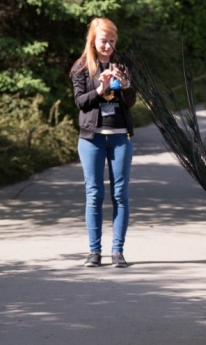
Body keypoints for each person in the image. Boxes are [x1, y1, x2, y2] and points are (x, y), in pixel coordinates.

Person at [71, 17, 136, 268]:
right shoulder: (81, 67)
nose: (108, 45)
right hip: (91, 138)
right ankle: (94, 252)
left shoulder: (124, 64)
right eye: (103, 41)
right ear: (93, 41)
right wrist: (101, 88)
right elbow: (79, 102)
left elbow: (131, 102)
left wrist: (126, 84)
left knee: (120, 194)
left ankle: (117, 251)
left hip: (120, 137)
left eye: (112, 41)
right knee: (94, 193)